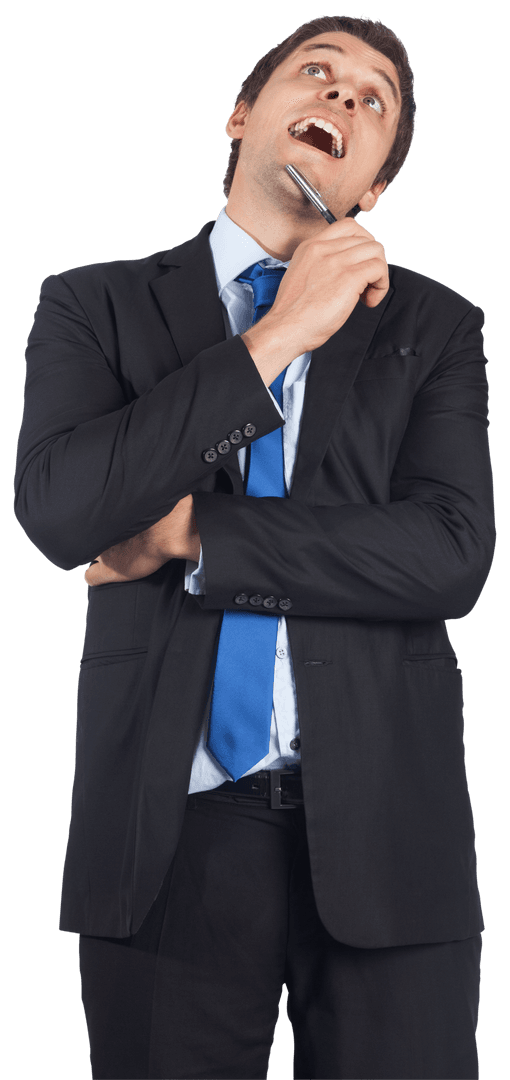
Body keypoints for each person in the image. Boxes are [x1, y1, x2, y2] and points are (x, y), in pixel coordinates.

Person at [14, 13, 495, 1080]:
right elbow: (60, 512)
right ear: (242, 115)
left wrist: (193, 532)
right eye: (317, 74)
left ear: (372, 188)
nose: (344, 99)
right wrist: (279, 333)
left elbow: (449, 554)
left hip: (388, 835)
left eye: (375, 103)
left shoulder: (438, 328)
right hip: (163, 842)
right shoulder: (90, 307)